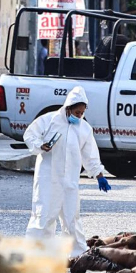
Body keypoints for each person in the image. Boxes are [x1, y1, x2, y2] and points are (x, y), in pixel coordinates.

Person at [22, 86, 110, 258]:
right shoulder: (49, 120)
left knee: (71, 217)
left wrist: (99, 175)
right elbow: (29, 135)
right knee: (44, 215)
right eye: (76, 112)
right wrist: (41, 145)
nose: (79, 116)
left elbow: (90, 155)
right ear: (68, 108)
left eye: (82, 113)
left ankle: (77, 254)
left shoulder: (84, 129)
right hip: (48, 178)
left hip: (70, 180)